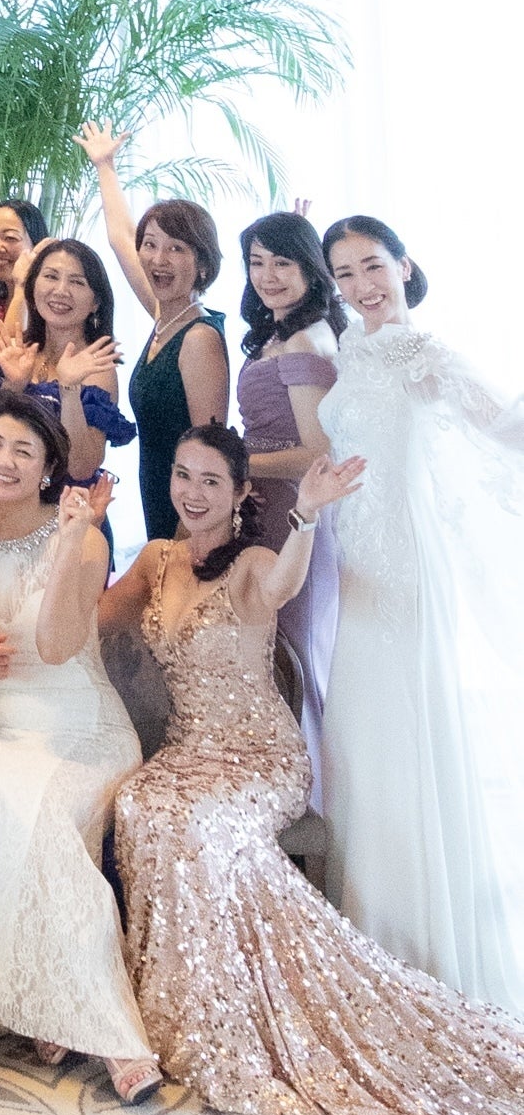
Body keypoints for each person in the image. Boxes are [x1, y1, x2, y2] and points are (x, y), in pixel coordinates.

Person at [103, 427, 524, 1115]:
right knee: (139, 803)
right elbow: (98, 618)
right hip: (188, 747)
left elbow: (282, 588)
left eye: (211, 481)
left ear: (240, 494)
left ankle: (230, 1014)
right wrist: (64, 546)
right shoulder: (156, 559)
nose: (192, 493)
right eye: (183, 475)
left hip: (258, 757)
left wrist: (306, 516)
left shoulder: (255, 563)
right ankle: (173, 1005)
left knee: (196, 822)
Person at [317, 215, 524, 1013]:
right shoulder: (353, 347)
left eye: (373, 265)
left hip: (404, 572)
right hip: (356, 570)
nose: (362, 285)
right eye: (345, 273)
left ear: (404, 265)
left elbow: (502, 422)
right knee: (358, 744)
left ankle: (418, 946)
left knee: (399, 736)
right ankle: (371, 934)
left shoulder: (423, 353)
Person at [0, 392, 158, 1102]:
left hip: (81, 727)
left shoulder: (84, 536)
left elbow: (57, 646)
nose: (5, 461)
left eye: (24, 451)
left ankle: (112, 1033)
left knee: (47, 820)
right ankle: (28, 1002)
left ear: (49, 467)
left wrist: (68, 542)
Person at [230, 210, 343, 804]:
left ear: (309, 268)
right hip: (265, 510)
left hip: (293, 513)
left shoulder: (305, 339)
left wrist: (236, 464)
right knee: (269, 650)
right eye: (257, 262)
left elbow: (316, 454)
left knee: (293, 654)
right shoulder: (280, 332)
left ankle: (308, 798)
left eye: (283, 262)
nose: (268, 275)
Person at [81, 125, 230, 541]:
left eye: (176, 248)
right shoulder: (166, 318)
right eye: (151, 244)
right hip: (158, 494)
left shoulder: (198, 336)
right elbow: (120, 238)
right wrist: (105, 167)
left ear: (202, 264)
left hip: (190, 511)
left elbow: (210, 451)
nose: (158, 259)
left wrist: (187, 534)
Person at [0, 239, 135, 494]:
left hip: (65, 507)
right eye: (51, 276)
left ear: (96, 302)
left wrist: (69, 390)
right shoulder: (19, 351)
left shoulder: (97, 369)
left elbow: (81, 468)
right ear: (32, 288)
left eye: (77, 282)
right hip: (8, 497)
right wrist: (13, 385)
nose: (61, 291)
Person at [0, 199, 49, 344]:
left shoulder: (50, 316)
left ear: (36, 245)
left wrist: (21, 286)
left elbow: (9, 351)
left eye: (10, 238)